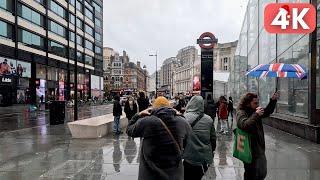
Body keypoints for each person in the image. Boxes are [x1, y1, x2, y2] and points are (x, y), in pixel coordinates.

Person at [126, 96, 192, 180]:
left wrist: (138, 115)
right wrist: (181, 116)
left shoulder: (147, 122)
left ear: (154, 108)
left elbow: (129, 130)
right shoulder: (182, 122)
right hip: (174, 175)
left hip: (150, 175)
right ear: (169, 107)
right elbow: (188, 143)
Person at [236, 91, 279, 180]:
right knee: (251, 175)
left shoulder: (255, 110)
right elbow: (244, 125)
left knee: (262, 173)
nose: (257, 105)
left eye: (258, 102)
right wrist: (256, 114)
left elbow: (267, 112)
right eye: (255, 103)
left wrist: (273, 100)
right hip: (249, 151)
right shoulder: (241, 112)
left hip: (259, 149)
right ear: (248, 103)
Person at [183, 96, 216, 180]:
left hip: (189, 156)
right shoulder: (209, 119)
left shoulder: (184, 118)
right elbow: (213, 138)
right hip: (204, 157)